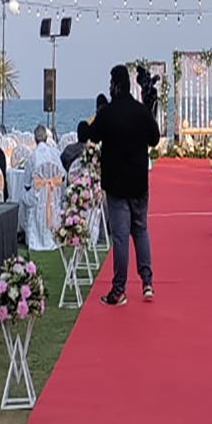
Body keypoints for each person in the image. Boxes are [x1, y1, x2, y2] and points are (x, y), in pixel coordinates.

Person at [89, 65, 160, 306]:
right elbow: (155, 138)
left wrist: (98, 116)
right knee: (140, 231)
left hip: (117, 186)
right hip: (139, 183)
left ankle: (119, 290)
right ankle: (147, 283)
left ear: (116, 85)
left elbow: (93, 135)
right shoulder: (141, 111)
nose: (109, 88)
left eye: (111, 83)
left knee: (120, 237)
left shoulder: (108, 113)